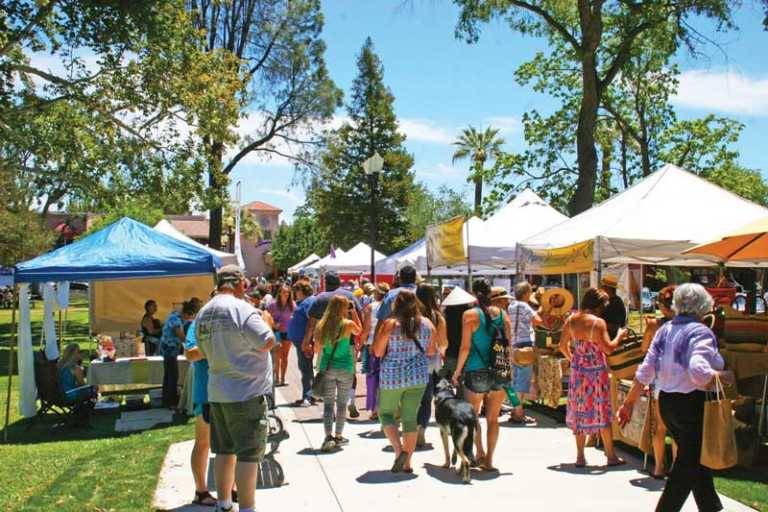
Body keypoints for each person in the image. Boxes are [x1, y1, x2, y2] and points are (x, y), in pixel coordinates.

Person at [618, 284, 733, 512]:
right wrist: (724, 376)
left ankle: (711, 507)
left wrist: (629, 402)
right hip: (692, 403)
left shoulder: (665, 329)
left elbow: (646, 370)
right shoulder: (700, 331)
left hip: (667, 402)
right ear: (703, 305)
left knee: (694, 458)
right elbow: (699, 373)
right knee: (687, 464)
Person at [194, 265, 275, 512]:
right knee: (248, 454)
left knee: (223, 451)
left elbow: (202, 350)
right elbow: (267, 341)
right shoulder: (243, 309)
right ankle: (247, 507)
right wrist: (265, 321)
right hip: (246, 392)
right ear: (239, 283)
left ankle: (224, 503)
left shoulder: (204, 313)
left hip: (217, 391)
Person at [558, 288, 626, 468]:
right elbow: (608, 348)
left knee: (580, 410)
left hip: (578, 372)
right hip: (596, 372)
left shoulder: (571, 320)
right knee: (601, 409)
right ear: (598, 306)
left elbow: (562, 346)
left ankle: (580, 456)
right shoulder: (598, 323)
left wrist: (573, 359)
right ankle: (610, 455)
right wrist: (619, 335)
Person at [452, 279, 513, 471]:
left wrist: (457, 371)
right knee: (493, 419)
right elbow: (508, 346)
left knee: (474, 416)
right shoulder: (503, 315)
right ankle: (490, 461)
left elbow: (465, 347)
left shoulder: (469, 315)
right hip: (499, 371)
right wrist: (508, 371)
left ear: (473, 293)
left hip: (475, 370)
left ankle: (479, 451)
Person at [373, 290, 436, 473]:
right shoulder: (426, 323)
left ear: (395, 305)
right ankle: (407, 463)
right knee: (410, 419)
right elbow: (431, 351)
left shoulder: (390, 324)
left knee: (385, 413)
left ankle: (399, 451)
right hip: (418, 377)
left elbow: (377, 351)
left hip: (392, 377)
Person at [302, 270, 362, 418]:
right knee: (349, 373)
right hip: (348, 341)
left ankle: (330, 409)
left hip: (325, 342)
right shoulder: (350, 296)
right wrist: (360, 340)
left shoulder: (320, 298)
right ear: (340, 281)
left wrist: (306, 341)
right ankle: (350, 399)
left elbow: (311, 323)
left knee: (327, 372)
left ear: (325, 282)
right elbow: (359, 317)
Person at [314, 295, 363, 452]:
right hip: (345, 368)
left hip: (327, 368)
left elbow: (317, 349)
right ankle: (339, 436)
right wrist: (353, 311)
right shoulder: (348, 324)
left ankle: (328, 436)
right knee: (342, 404)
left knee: (328, 405)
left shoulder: (321, 325)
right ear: (344, 308)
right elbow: (359, 330)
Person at [640, 285, 677, 479]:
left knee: (660, 427)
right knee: (677, 429)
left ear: (662, 306)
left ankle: (658, 468)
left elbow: (644, 348)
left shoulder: (655, 325)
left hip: (660, 380)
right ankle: (677, 470)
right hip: (681, 381)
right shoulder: (690, 325)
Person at [183, 314, 217, 507]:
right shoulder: (198, 324)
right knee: (203, 443)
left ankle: (231, 487)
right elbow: (190, 353)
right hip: (205, 393)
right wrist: (217, 348)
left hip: (230, 392)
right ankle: (201, 491)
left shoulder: (233, 321)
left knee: (231, 444)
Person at [415, 283, 448, 448]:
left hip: (410, 362)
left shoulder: (411, 315)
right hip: (431, 363)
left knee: (411, 398)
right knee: (426, 399)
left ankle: (411, 430)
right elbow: (443, 343)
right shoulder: (437, 316)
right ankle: (421, 428)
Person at [507, 281, 544, 424]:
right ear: (527, 293)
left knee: (514, 382)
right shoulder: (524, 305)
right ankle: (519, 414)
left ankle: (514, 410)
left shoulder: (511, 306)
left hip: (513, 346)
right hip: (525, 346)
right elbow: (538, 321)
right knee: (521, 384)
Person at [359, 282, 390, 420]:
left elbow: (365, 330)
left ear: (377, 293)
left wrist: (360, 343)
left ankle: (374, 410)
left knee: (372, 378)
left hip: (371, 346)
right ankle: (387, 408)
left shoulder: (370, 307)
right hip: (388, 346)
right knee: (386, 378)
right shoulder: (391, 307)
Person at [160, 301, 196, 408]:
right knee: (172, 375)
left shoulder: (176, 315)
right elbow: (181, 336)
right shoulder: (175, 320)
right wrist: (191, 345)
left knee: (168, 375)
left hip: (169, 350)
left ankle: (166, 399)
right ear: (186, 314)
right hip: (169, 350)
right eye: (189, 316)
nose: (189, 319)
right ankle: (171, 401)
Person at [287, 281, 317, 406]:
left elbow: (312, 322)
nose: (295, 294)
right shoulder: (305, 302)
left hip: (304, 342)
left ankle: (308, 396)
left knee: (305, 369)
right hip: (302, 341)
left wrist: (308, 341)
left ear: (301, 290)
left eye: (296, 291)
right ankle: (312, 394)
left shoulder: (308, 302)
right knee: (306, 368)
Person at [268, 284, 295, 387]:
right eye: (284, 292)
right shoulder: (273, 304)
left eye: (287, 292)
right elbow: (267, 317)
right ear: (279, 293)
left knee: (285, 356)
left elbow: (294, 317)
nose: (286, 294)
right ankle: (277, 378)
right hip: (277, 332)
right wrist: (274, 324)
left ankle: (283, 378)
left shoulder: (292, 304)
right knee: (277, 355)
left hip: (288, 332)